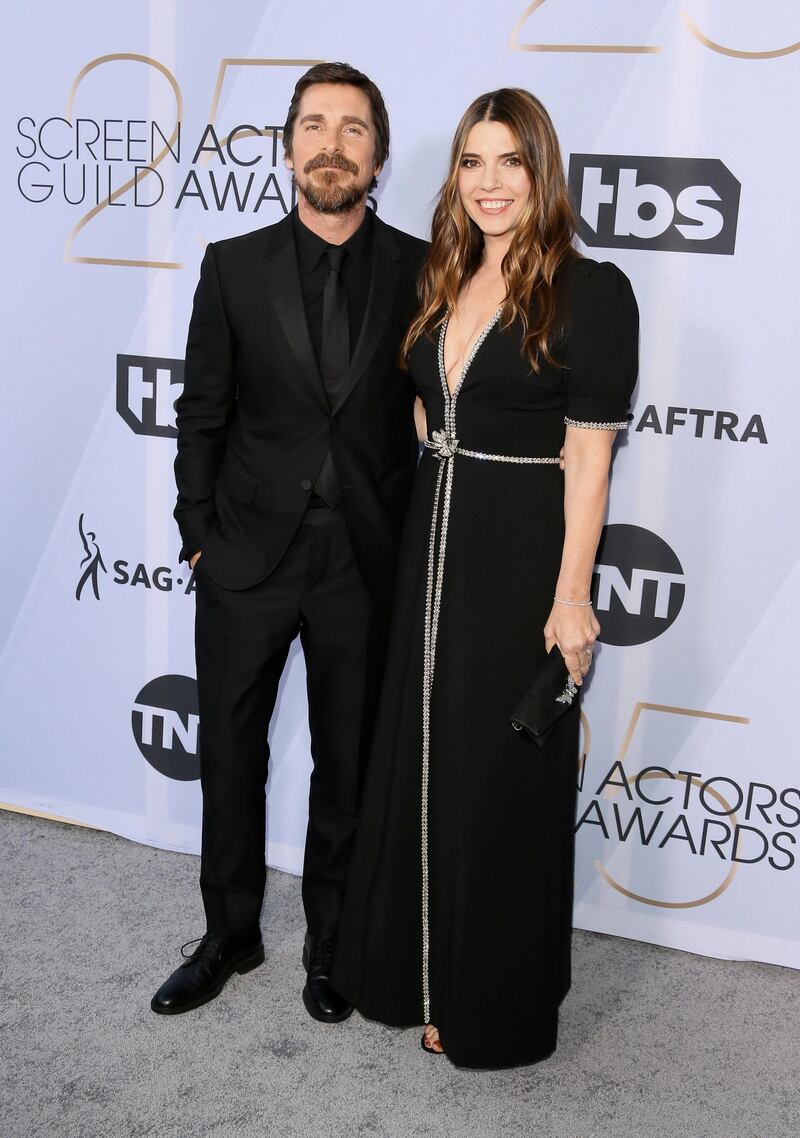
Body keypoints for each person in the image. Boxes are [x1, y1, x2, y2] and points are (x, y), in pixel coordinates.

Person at [333, 87, 638, 1067]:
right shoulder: (442, 276)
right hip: (433, 549)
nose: (490, 182)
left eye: (509, 161)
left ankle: (489, 1005)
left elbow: (587, 460)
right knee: (423, 768)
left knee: (498, 787)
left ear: (540, 172)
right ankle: (420, 975)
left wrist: (569, 595)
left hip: (517, 563)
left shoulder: (590, 293)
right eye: (472, 162)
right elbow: (430, 420)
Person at [151, 63, 427, 1021]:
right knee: (230, 754)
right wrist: (196, 535)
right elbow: (202, 413)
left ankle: (333, 946)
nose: (332, 145)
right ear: (286, 146)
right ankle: (229, 934)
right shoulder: (232, 264)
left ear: (378, 157)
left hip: (364, 561)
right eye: (315, 125)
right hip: (245, 556)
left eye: (354, 129)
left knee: (346, 765)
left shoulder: (423, 269)